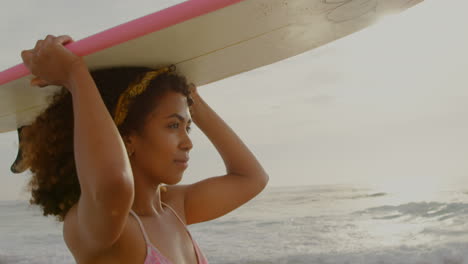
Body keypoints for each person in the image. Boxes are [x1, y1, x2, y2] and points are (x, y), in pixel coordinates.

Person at [19, 34, 269, 264]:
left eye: (187, 127)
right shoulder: (97, 226)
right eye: (173, 125)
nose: (188, 142)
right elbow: (113, 181)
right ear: (127, 139)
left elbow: (251, 178)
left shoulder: (174, 207)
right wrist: (75, 75)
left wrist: (194, 101)